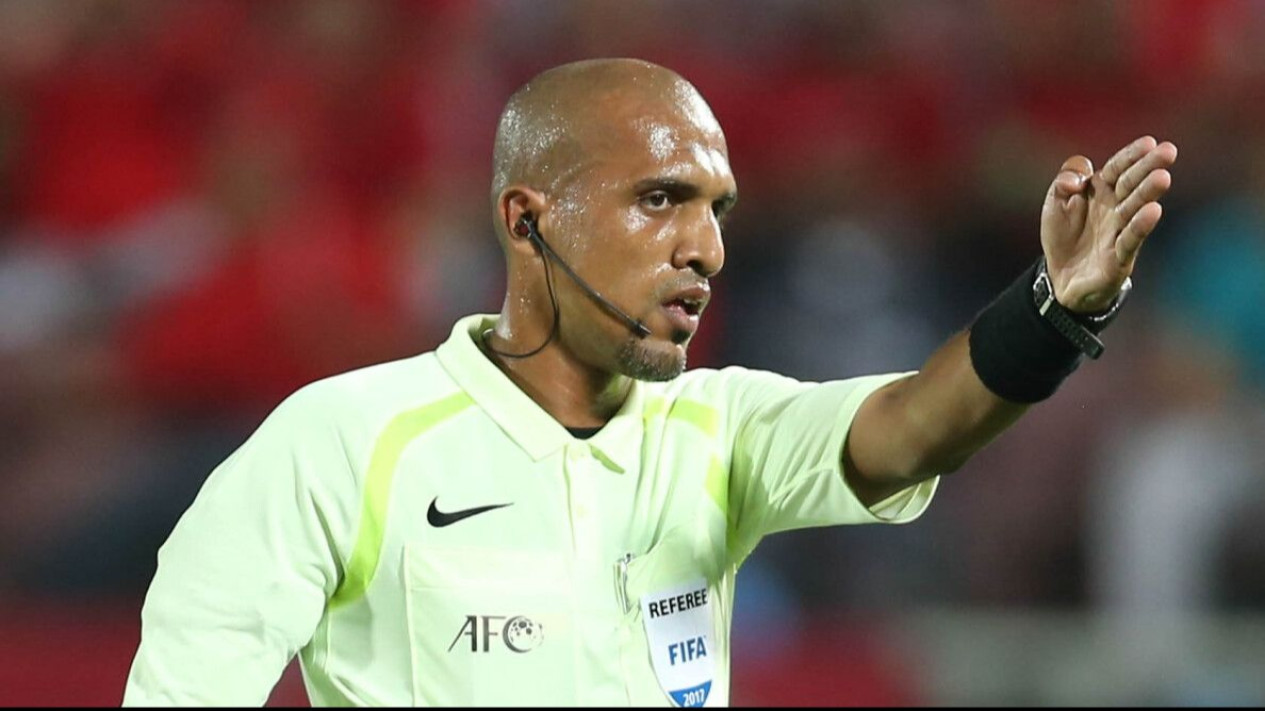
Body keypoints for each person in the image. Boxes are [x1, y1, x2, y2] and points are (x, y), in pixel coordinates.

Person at [121, 58, 1177, 707]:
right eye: (661, 199)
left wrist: (1055, 308)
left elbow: (912, 428)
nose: (704, 248)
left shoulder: (718, 431)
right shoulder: (340, 442)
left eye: (717, 210)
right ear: (527, 220)